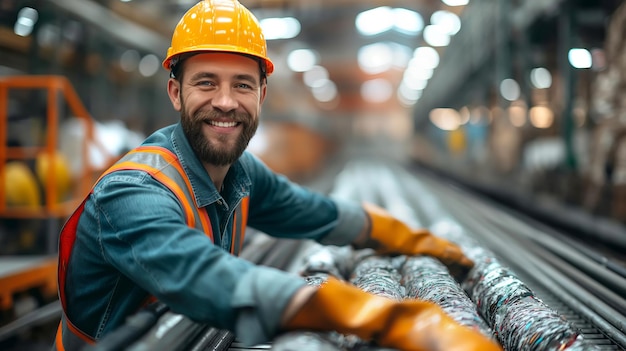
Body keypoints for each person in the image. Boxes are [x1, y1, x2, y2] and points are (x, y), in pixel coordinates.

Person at [52, 1, 503, 350]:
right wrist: (382, 317)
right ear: (176, 91)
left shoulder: (238, 172)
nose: (225, 102)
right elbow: (209, 277)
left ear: (262, 94)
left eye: (242, 85)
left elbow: (316, 213)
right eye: (206, 82)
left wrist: (406, 237)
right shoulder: (133, 193)